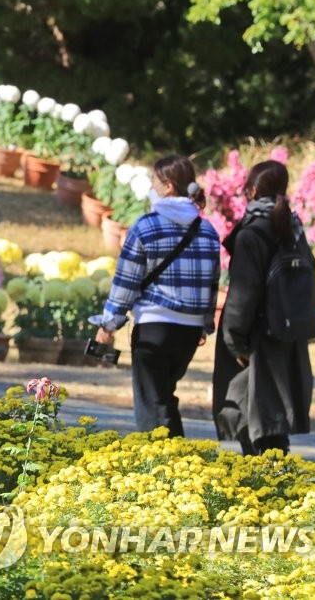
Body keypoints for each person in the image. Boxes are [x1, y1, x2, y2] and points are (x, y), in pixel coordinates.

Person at [92, 154, 221, 437]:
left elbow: (125, 282)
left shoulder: (146, 226)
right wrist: (204, 324)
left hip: (154, 327)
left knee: (151, 403)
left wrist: (108, 324)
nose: (152, 187)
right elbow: (212, 283)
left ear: (169, 187)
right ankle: (181, 463)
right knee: (162, 395)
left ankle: (161, 468)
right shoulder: (208, 230)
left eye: (155, 182)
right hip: (188, 332)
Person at [212, 160, 315, 455]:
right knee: (273, 426)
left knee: (252, 424)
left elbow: (244, 293)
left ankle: (264, 493)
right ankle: (278, 490)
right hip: (287, 334)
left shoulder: (252, 233)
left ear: (253, 190)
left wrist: (234, 343)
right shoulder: (293, 229)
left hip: (255, 341)